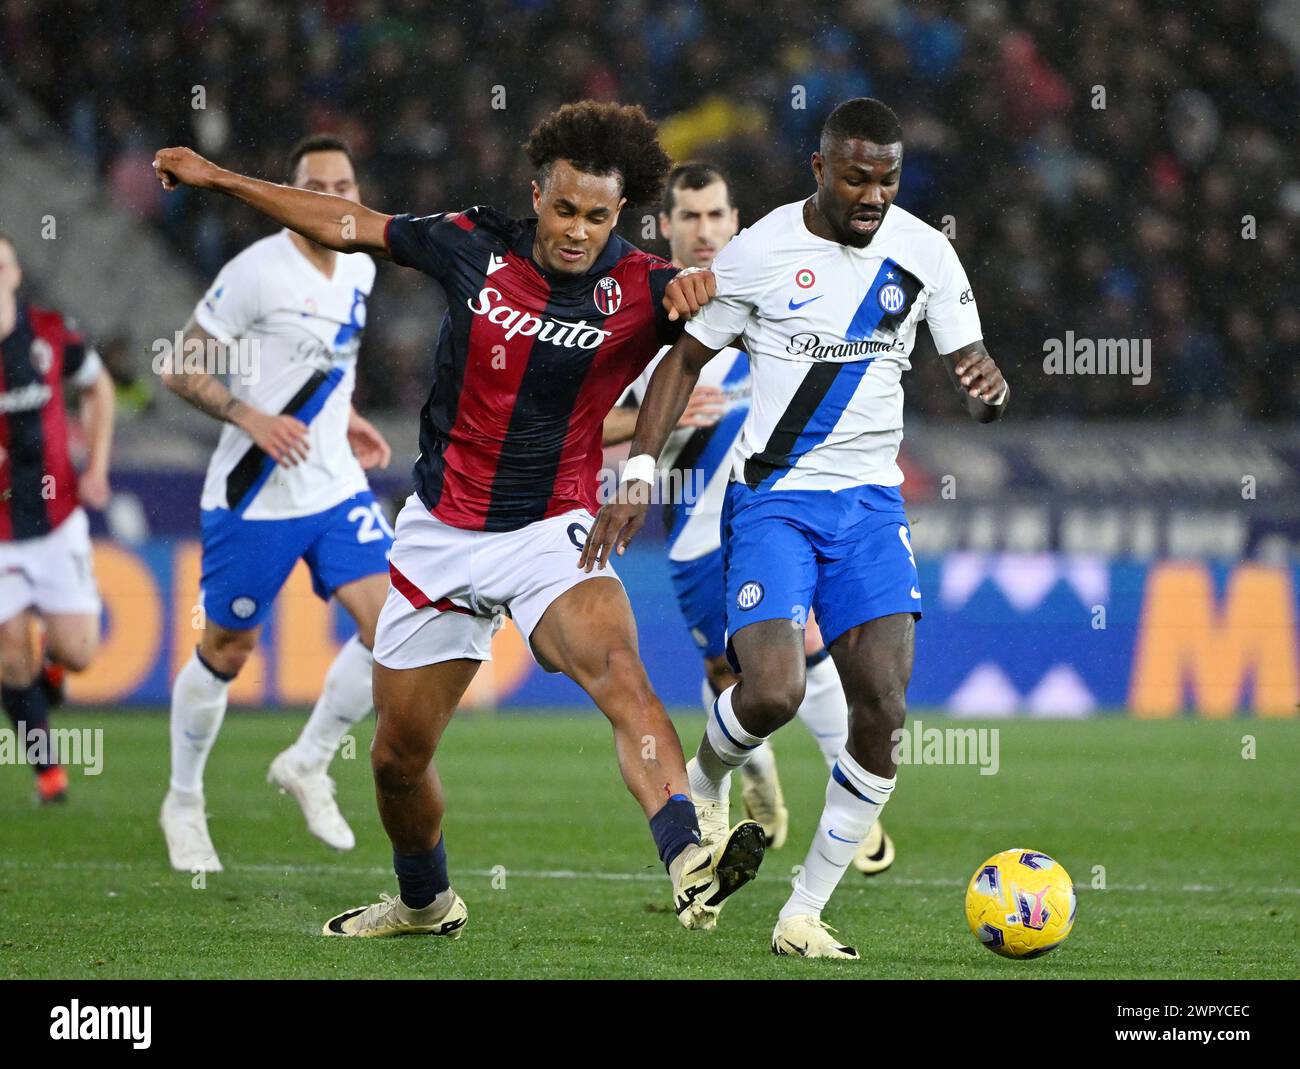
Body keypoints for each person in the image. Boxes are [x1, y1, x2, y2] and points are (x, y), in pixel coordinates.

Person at [153, 101, 765, 940]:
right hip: (439, 535)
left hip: (554, 533)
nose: (577, 230)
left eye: (596, 215)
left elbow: (689, 351)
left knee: (623, 676)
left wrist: (647, 460)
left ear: (619, 213)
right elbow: (346, 221)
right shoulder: (472, 242)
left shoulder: (646, 287)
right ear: (536, 192)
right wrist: (222, 178)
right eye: (562, 208)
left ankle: (688, 854)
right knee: (396, 760)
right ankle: (423, 902)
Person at [582, 98, 1009, 958]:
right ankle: (702, 781)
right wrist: (638, 471)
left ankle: (803, 911)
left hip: (870, 506)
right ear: (820, 168)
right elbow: (684, 362)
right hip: (774, 501)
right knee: (770, 689)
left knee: (883, 707)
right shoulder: (762, 251)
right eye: (856, 176)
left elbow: (973, 361)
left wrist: (985, 383)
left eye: (888, 178)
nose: (873, 194)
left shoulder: (925, 251)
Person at [603, 163, 894, 874]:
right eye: (689, 217)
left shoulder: (767, 286)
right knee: (732, 673)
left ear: (736, 223)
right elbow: (585, 421)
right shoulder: (644, 319)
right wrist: (649, 421)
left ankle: (850, 799)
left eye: (715, 216)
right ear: (665, 226)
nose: (704, 231)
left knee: (814, 641)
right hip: (698, 531)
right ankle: (750, 771)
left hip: (779, 511)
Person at [159, 135, 394, 871]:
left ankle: (309, 760)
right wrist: (250, 416)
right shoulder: (258, 270)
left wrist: (344, 416)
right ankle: (184, 799)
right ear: (291, 194)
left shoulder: (361, 265)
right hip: (254, 492)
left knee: (394, 628)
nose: (333, 196)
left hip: (332, 484)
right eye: (315, 184)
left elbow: (331, 362)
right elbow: (179, 364)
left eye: (344, 184)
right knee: (228, 649)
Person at [0, 230, 115, 803]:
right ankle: (48, 770)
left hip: (57, 518)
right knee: (9, 653)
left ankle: (52, 673)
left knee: (79, 653)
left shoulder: (49, 331)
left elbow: (98, 388)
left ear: (16, 274)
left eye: (1, 266)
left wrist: (96, 465)